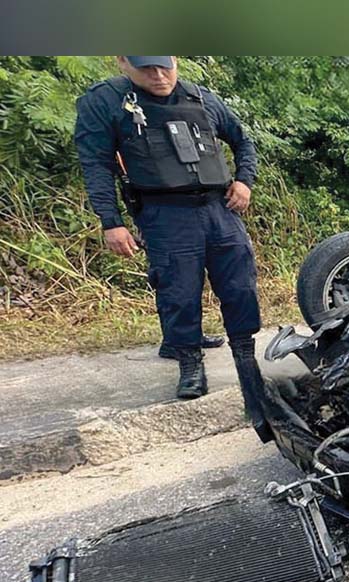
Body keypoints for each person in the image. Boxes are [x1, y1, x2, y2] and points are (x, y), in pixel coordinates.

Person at [74, 56, 271, 442]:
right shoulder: (106, 101)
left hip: (218, 206)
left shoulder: (201, 98)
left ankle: (246, 359)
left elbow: (242, 140)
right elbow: (95, 163)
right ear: (123, 63)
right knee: (178, 291)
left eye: (165, 66)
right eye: (147, 68)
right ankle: (189, 362)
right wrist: (111, 222)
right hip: (165, 212)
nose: (159, 75)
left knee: (240, 285)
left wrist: (244, 181)